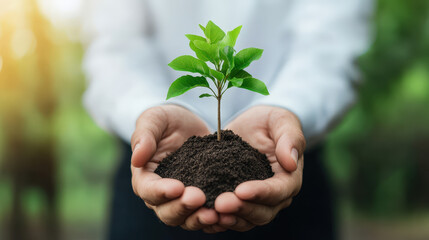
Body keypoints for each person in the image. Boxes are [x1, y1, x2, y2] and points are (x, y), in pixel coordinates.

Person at [82, 0, 372, 239]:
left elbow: (329, 40)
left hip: (286, 160)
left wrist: (288, 106)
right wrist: (146, 109)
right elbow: (115, 46)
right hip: (156, 162)